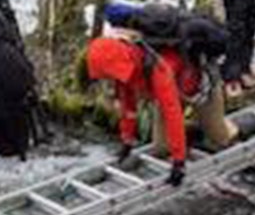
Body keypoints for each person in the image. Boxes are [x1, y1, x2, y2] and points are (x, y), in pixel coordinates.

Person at [85, 36, 238, 187]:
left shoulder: (158, 68)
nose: (108, 80)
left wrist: (179, 161)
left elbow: (173, 115)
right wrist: (127, 140)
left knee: (220, 139)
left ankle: (230, 128)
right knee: (161, 148)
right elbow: (128, 108)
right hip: (172, 96)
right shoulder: (125, 73)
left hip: (202, 92)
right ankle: (192, 132)